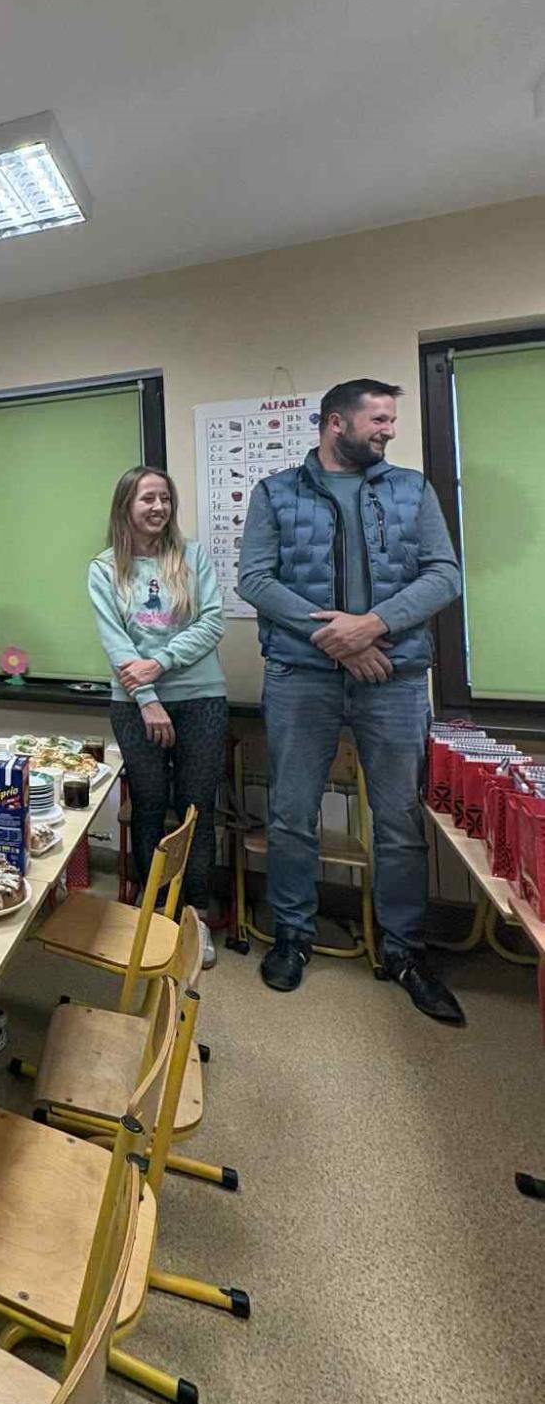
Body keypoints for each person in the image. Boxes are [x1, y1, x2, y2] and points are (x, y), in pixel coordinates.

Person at [237, 378, 464, 1022]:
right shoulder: (276, 491)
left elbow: (443, 574)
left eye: (391, 420)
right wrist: (337, 639)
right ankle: (292, 935)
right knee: (291, 812)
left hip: (393, 675)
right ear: (336, 423)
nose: (389, 430)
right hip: (301, 676)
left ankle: (404, 949)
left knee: (398, 818)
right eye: (378, 420)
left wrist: (373, 625)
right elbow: (255, 579)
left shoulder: (411, 489)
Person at [88, 468, 227, 970]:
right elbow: (115, 641)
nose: (158, 507)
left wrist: (161, 662)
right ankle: (155, 913)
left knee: (195, 808)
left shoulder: (193, 557)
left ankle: (195, 916)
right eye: (148, 498)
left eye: (165, 498)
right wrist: (147, 697)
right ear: (126, 505)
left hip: (200, 697)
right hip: (134, 704)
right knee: (148, 805)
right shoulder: (104, 568)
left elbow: (212, 621)